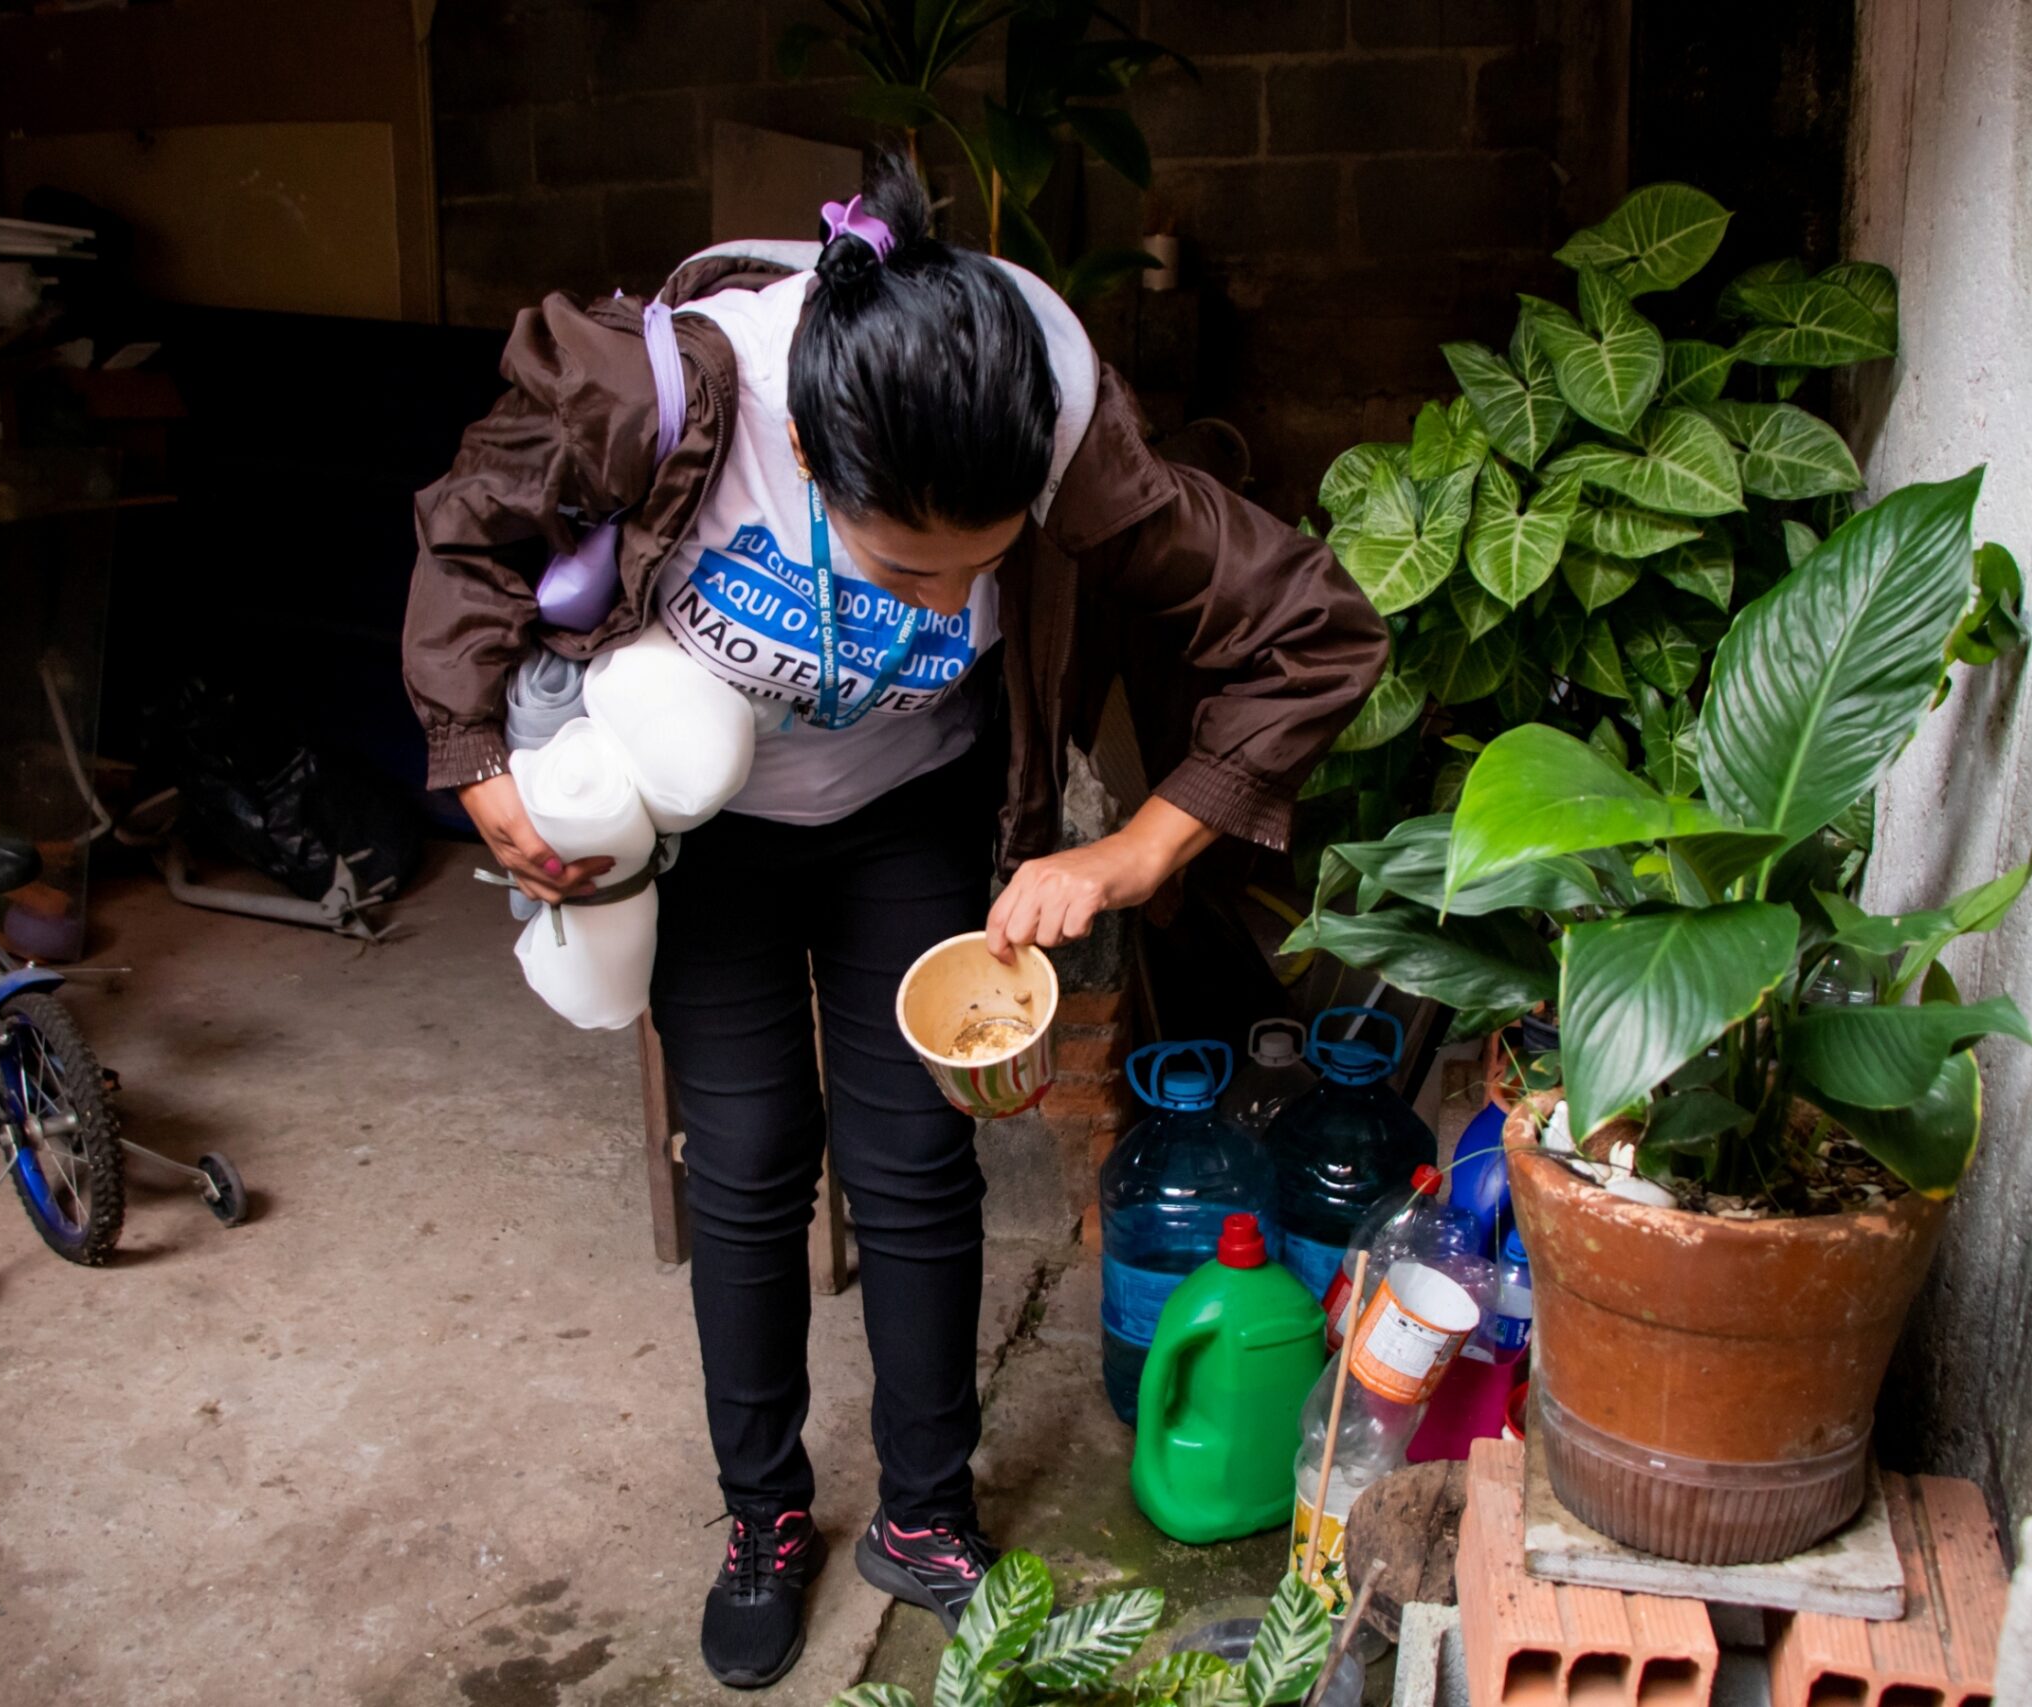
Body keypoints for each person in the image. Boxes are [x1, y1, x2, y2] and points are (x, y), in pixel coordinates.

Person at [402, 161, 1383, 1689]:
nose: (946, 595)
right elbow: (465, 530)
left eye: (980, 567)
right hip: (711, 831)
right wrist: (476, 768)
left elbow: (1313, 629)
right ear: (805, 444)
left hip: (918, 807)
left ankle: (925, 1517)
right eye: (902, 562)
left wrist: (1132, 847)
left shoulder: (1055, 424)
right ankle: (763, 1518)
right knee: (742, 1163)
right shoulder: (671, 395)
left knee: (917, 1157)